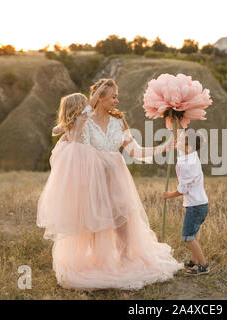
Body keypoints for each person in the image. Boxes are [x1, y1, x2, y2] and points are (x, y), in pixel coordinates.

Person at [37, 79, 183, 290]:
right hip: (92, 182)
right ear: (100, 98)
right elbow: (68, 141)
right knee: (97, 224)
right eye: (113, 96)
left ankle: (124, 260)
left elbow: (135, 151)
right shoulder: (83, 121)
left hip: (117, 178)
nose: (117, 100)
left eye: (117, 95)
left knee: (123, 220)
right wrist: (92, 98)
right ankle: (99, 262)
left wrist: (164, 147)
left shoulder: (119, 122)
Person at [162, 128, 210, 275]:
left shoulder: (188, 165)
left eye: (182, 140)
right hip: (200, 204)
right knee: (193, 235)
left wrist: (168, 195)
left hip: (196, 206)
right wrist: (177, 129)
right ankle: (194, 262)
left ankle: (204, 265)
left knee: (188, 237)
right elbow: (180, 147)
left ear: (188, 146)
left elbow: (183, 189)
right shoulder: (189, 154)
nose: (178, 141)